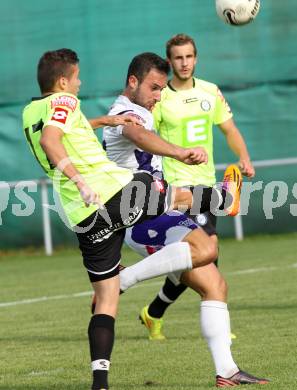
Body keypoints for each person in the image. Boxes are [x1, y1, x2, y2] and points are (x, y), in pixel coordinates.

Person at [22, 48, 231, 390]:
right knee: (164, 192)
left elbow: (59, 131)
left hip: (81, 215)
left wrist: (103, 122)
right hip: (108, 191)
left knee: (106, 301)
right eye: (76, 78)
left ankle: (100, 382)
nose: (79, 83)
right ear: (62, 81)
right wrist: (78, 177)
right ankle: (222, 197)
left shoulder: (31, 109)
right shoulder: (67, 102)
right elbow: (52, 140)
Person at [100, 51, 269, 387]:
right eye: (153, 87)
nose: (157, 96)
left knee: (216, 285)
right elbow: (137, 136)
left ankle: (227, 372)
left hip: (158, 209)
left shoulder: (142, 110)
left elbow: (154, 176)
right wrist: (178, 152)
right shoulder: (124, 113)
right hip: (138, 218)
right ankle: (122, 281)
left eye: (162, 89)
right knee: (205, 249)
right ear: (132, 81)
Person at [138, 33, 255, 342]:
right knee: (207, 254)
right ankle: (220, 326)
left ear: (196, 58)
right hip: (178, 187)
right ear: (170, 61)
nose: (184, 62)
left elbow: (228, 129)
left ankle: (153, 312)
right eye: (178, 57)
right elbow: (147, 138)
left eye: (189, 56)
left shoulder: (210, 92)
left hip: (206, 185)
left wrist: (243, 156)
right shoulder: (160, 97)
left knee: (197, 257)